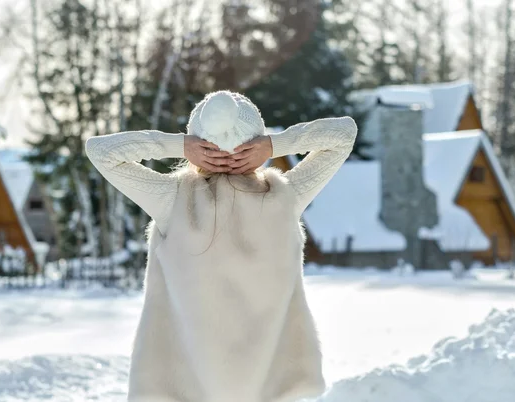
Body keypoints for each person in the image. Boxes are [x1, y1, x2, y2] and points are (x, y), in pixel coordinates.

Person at [86, 90, 357, 402]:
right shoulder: (288, 196)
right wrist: (274, 144)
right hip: (276, 391)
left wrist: (178, 145)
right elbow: (343, 134)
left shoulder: (170, 198)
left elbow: (100, 150)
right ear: (254, 141)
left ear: (198, 143)